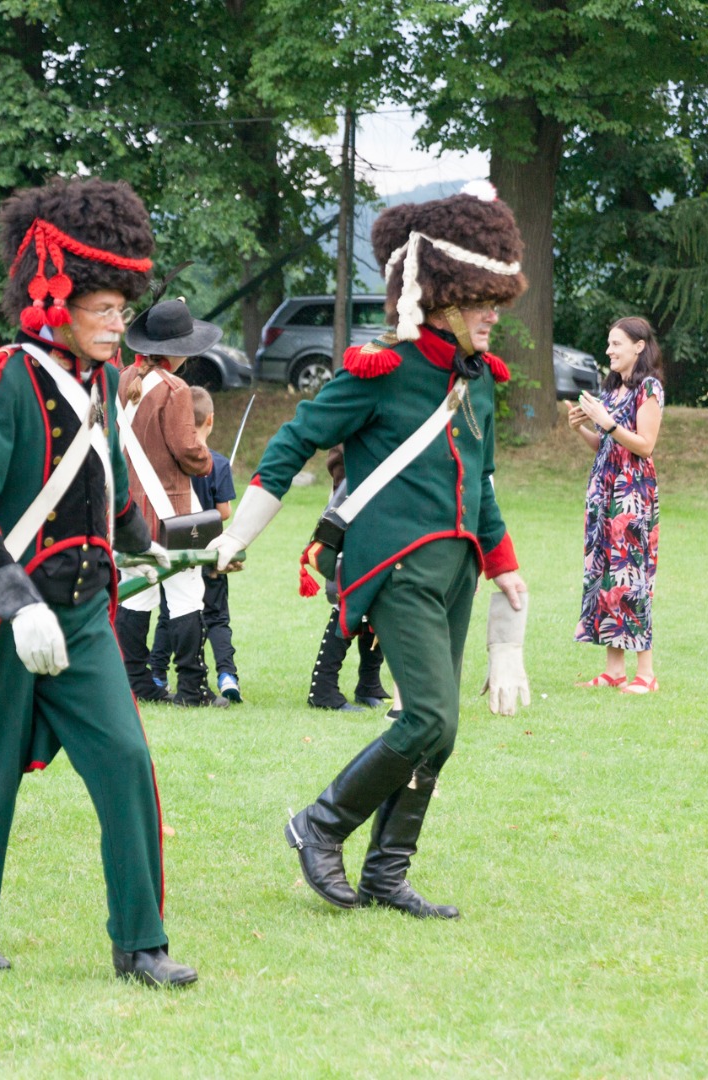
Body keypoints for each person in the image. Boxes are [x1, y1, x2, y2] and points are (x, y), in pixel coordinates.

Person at [209, 182, 532, 920]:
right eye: (483, 299)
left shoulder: (475, 380)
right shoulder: (381, 370)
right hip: (397, 566)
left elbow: (478, 482)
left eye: (498, 301)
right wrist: (239, 532)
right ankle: (320, 824)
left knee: (439, 729)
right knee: (428, 719)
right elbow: (295, 440)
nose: (493, 314)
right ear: (443, 297)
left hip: (456, 570)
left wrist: (504, 565)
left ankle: (387, 872)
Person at [0, 177, 194, 987]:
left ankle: (140, 944)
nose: (120, 324)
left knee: (126, 765)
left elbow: (97, 484)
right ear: (59, 299)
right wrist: (12, 600)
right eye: (106, 309)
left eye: (122, 309)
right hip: (9, 619)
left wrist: (152, 546)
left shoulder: (103, 381)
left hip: (81, 615)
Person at [112, 297, 223, 708]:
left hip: (127, 515)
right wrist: (208, 457)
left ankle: (135, 683)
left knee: (135, 593)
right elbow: (189, 453)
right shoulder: (176, 390)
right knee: (185, 594)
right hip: (170, 510)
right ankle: (192, 688)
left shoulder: (122, 380)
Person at [570, 316, 664, 693]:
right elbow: (605, 444)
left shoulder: (649, 388)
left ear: (638, 347)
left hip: (632, 493)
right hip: (602, 491)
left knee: (632, 578)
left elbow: (645, 445)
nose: (609, 350)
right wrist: (580, 425)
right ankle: (613, 671)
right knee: (606, 575)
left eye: (616, 344)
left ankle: (646, 674)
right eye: (608, 344)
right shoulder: (611, 389)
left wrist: (605, 423)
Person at [149, 385, 242, 702]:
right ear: (210, 420)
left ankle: (156, 672)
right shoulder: (218, 463)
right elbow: (224, 511)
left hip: (176, 550)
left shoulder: (171, 461)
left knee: (168, 614)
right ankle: (227, 674)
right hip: (209, 552)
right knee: (217, 616)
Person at [306, 444, 391, 712]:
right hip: (356, 506)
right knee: (350, 597)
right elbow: (341, 457)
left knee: (379, 594)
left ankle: (369, 683)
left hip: (380, 506)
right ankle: (323, 688)